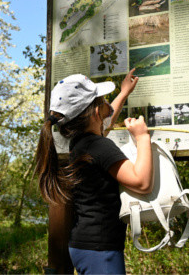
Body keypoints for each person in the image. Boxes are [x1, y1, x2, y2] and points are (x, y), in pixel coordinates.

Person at [36, 69, 152, 274]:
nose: (108, 105)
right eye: (103, 100)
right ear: (96, 112)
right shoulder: (99, 146)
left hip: (85, 245)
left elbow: (104, 122)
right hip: (101, 251)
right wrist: (143, 138)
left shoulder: (82, 143)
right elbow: (141, 182)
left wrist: (124, 92)